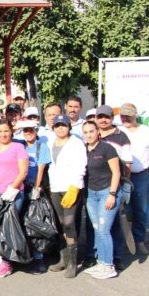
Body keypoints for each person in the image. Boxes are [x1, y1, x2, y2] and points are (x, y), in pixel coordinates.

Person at [0, 119, 29, 278]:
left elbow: (23, 171)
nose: (3, 134)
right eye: (0, 131)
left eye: (6, 131)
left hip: (12, 195)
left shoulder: (18, 147)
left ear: (12, 131)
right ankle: (3, 257)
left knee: (8, 228)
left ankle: (7, 262)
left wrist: (13, 188)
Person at [47, 115, 87, 278]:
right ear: (53, 128)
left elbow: (81, 165)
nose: (60, 128)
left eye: (63, 125)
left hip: (71, 187)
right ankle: (63, 259)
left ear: (69, 127)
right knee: (60, 223)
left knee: (69, 223)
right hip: (56, 187)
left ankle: (73, 263)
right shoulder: (50, 143)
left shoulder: (76, 143)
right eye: (57, 125)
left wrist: (75, 186)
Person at [82, 121, 121, 279]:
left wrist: (112, 194)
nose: (89, 135)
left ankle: (109, 266)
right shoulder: (83, 150)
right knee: (97, 228)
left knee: (104, 230)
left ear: (98, 132)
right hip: (92, 194)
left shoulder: (107, 148)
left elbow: (116, 172)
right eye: (85, 132)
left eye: (91, 131)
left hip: (107, 193)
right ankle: (102, 262)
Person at [95, 104, 132, 268]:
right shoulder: (92, 135)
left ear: (112, 118)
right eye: (100, 116)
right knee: (95, 224)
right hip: (94, 186)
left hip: (113, 187)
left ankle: (116, 256)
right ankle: (96, 255)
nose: (103, 120)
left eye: (107, 117)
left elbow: (128, 164)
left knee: (115, 223)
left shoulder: (122, 136)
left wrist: (123, 185)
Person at [16, 119, 51, 273]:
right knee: (21, 222)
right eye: (25, 131)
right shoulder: (20, 145)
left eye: (31, 130)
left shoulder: (41, 147)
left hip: (34, 189)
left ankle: (38, 258)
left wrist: (36, 189)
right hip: (21, 188)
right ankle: (25, 255)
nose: (28, 133)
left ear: (36, 131)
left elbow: (41, 169)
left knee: (35, 223)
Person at [118, 103, 149, 255]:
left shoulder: (146, 131)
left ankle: (140, 240)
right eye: (123, 115)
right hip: (121, 176)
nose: (125, 118)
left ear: (135, 114)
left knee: (140, 209)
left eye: (128, 115)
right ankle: (124, 242)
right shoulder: (118, 131)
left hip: (141, 176)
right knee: (123, 210)